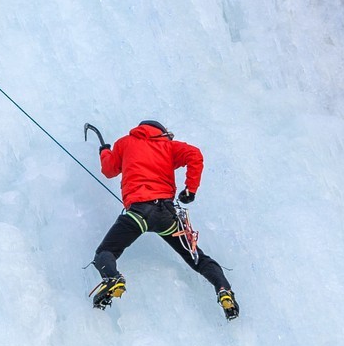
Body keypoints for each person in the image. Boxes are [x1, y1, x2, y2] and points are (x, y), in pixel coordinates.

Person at [89, 120, 238, 320]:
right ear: (162, 132)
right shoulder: (167, 146)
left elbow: (109, 170)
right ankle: (224, 290)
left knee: (105, 252)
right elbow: (195, 155)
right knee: (198, 259)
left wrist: (105, 151)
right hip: (167, 215)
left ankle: (113, 278)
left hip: (138, 213)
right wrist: (190, 190)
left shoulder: (125, 143)